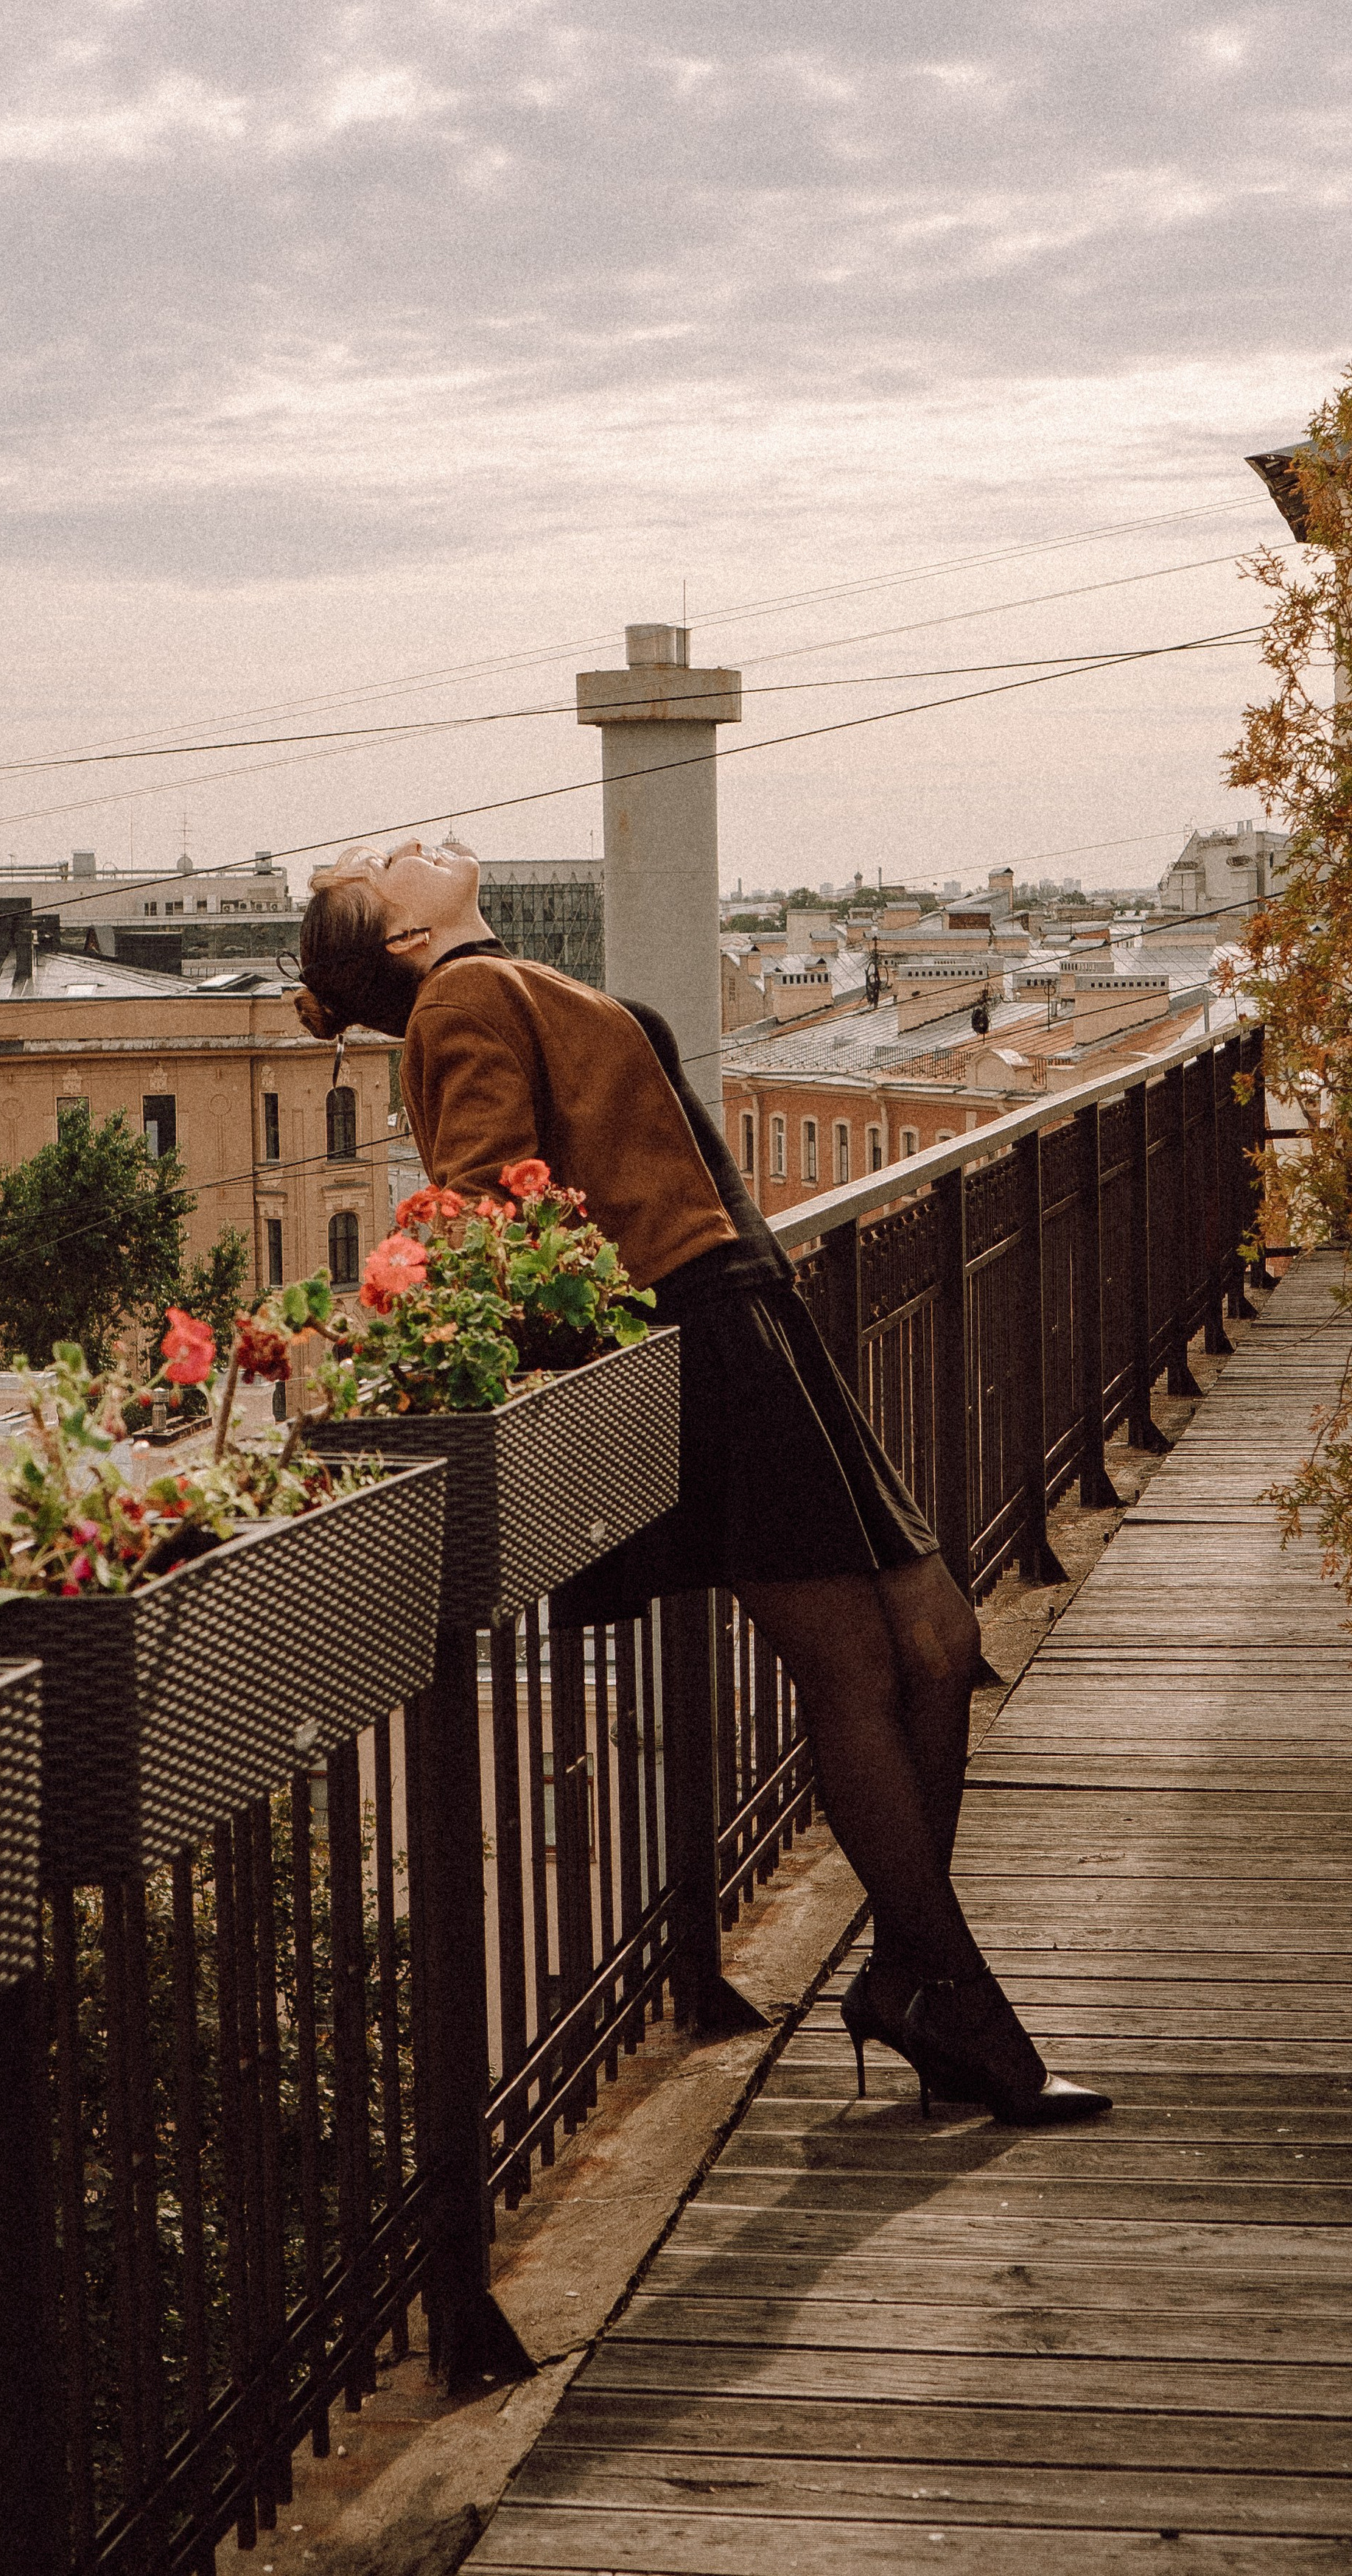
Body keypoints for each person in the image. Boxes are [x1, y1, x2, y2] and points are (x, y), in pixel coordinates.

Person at [294, 836, 1108, 2125]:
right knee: (858, 1670)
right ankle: (967, 2008)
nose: (412, 845)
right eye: (388, 863)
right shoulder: (458, 998)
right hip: (703, 1339)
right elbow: (479, 1208)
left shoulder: (510, 978)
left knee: (940, 1645)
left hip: (755, 1315)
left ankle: (905, 1972)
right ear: (402, 939)